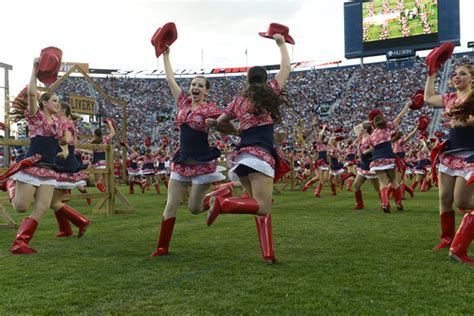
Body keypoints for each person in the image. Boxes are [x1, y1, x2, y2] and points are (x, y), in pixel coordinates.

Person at [206, 33, 291, 263]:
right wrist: (281, 45)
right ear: (264, 80)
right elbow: (286, 68)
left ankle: (268, 253)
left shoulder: (238, 101)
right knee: (262, 207)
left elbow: (222, 121)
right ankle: (223, 203)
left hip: (242, 157)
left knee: (257, 206)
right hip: (261, 155)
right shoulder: (271, 91)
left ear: (248, 80)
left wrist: (235, 130)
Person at [151, 45, 227, 257]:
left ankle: (219, 198)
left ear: (206, 90)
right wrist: (166, 56)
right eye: (193, 84)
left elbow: (226, 122)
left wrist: (217, 123)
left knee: (194, 208)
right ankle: (162, 247)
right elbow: (170, 80)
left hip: (202, 161)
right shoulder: (183, 102)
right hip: (182, 159)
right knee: (170, 205)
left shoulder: (211, 108)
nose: (195, 87)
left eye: (200, 85)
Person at [8, 57, 63, 254]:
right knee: (21, 207)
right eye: (55, 101)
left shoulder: (58, 122)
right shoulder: (36, 116)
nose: (58, 104)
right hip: (33, 166)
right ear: (45, 103)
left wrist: (64, 146)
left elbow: (60, 142)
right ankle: (10, 185)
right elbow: (32, 94)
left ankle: (20, 243)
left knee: (42, 207)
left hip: (49, 169)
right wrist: (34, 68)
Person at [424, 63, 473, 263]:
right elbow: (428, 98)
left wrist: (465, 122)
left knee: (461, 201)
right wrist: (431, 73)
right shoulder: (450, 99)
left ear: (472, 78)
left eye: (463, 73)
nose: (456, 76)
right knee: (444, 198)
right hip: (451, 152)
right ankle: (447, 239)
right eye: (455, 74)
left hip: (470, 153)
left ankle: (457, 243)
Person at [50, 102, 90, 237]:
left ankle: (80, 221)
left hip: (63, 161)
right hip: (62, 161)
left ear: (66, 111)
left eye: (60, 109)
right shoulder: (63, 122)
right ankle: (65, 229)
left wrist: (56, 142)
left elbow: (66, 139)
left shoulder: (65, 123)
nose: (57, 110)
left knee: (53, 201)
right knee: (54, 200)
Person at [366, 100, 411, 213]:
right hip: (389, 158)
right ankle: (399, 203)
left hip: (377, 160)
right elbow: (399, 117)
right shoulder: (388, 128)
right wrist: (407, 106)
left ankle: (385, 203)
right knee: (394, 181)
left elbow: (371, 147)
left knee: (383, 183)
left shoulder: (371, 136)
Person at [352, 122, 380, 210]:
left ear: (365, 129)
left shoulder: (370, 138)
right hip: (363, 164)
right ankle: (359, 204)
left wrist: (367, 151)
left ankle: (384, 203)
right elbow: (355, 127)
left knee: (378, 188)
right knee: (356, 185)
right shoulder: (360, 137)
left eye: (361, 127)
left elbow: (376, 147)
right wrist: (367, 121)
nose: (359, 128)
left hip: (370, 164)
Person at [90, 120, 115, 192]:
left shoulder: (92, 142)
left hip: (97, 162)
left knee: (97, 181)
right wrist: (110, 123)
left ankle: (105, 193)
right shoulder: (105, 139)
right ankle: (107, 193)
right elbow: (113, 132)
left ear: (95, 134)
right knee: (105, 181)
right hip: (105, 161)